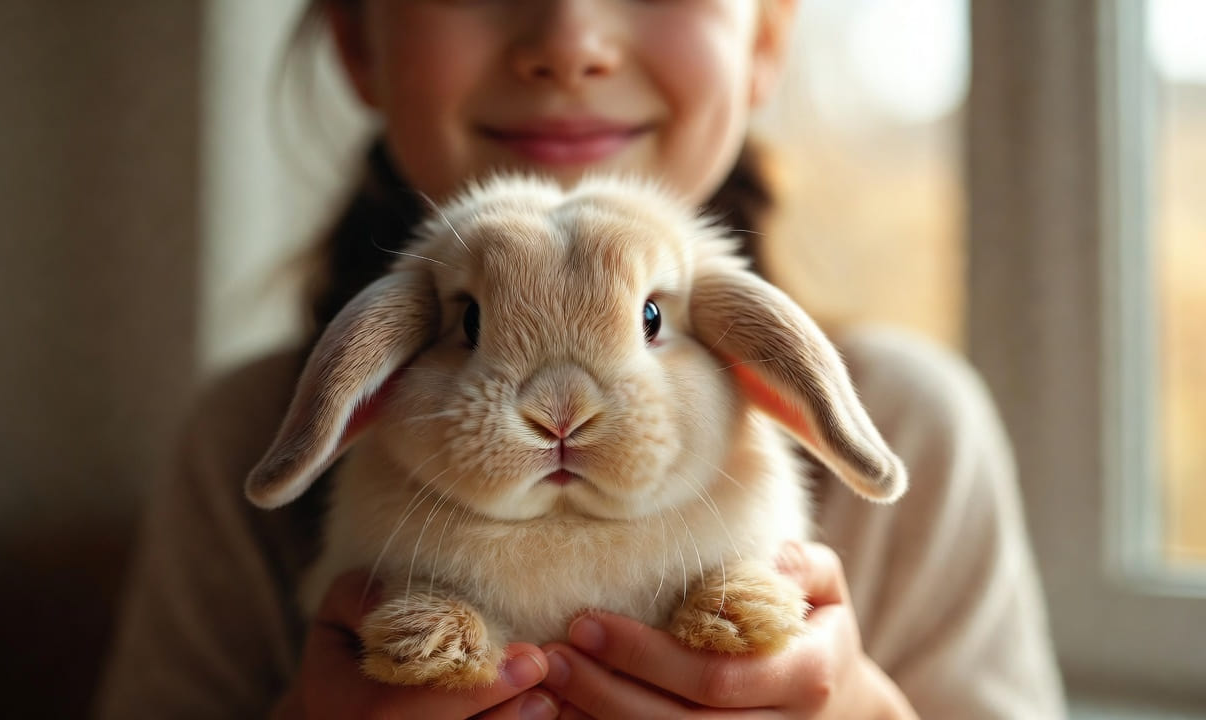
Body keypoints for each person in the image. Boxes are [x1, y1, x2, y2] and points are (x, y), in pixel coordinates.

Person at [96, 1, 1068, 718]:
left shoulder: (911, 421)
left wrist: (858, 708)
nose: (567, 42)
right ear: (359, 40)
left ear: (764, 37)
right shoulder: (246, 433)